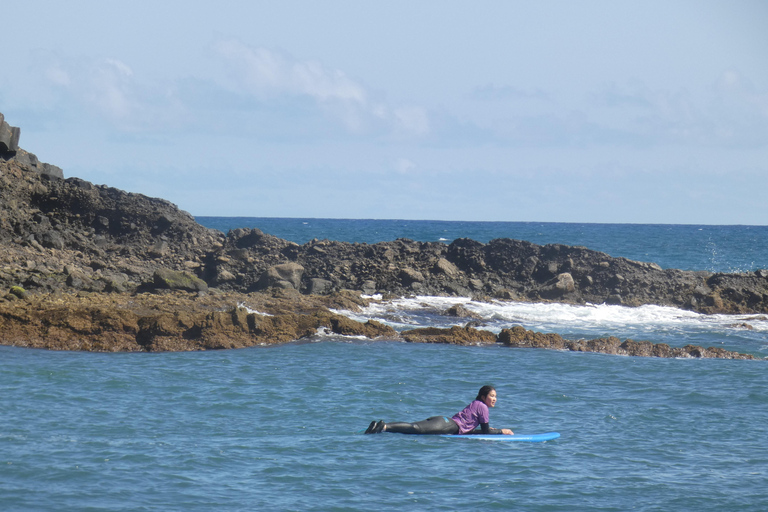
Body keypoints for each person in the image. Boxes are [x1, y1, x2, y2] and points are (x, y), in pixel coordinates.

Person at [364, 385, 514, 435]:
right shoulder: (483, 407)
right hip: (449, 425)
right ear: (483, 396)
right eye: (492, 396)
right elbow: (486, 432)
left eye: (496, 396)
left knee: (413, 426)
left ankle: (380, 426)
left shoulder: (476, 404)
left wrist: (491, 429)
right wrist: (502, 431)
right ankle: (383, 427)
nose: (494, 399)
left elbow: (477, 430)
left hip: (445, 421)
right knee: (415, 429)